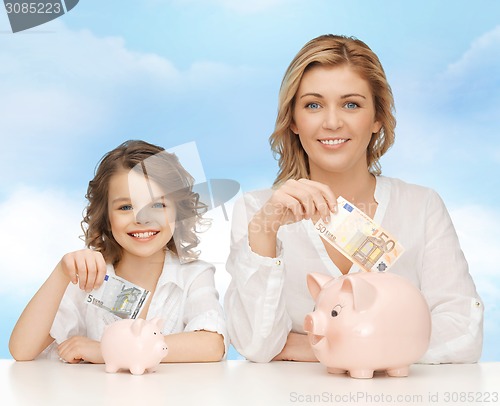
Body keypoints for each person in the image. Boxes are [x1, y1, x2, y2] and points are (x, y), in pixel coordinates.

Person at [224, 34, 483, 364]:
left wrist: (318, 346)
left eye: (351, 104)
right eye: (313, 105)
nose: (332, 122)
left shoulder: (422, 207)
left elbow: (463, 333)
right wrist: (265, 230)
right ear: (293, 121)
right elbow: (255, 346)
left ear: (377, 118)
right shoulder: (256, 211)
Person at [9, 140, 227, 363]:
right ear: (106, 216)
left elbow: (212, 345)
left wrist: (107, 351)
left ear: (177, 212)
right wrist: (61, 272)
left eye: (158, 205)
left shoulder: (193, 275)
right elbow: (22, 350)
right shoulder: (87, 277)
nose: (142, 219)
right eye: (126, 207)